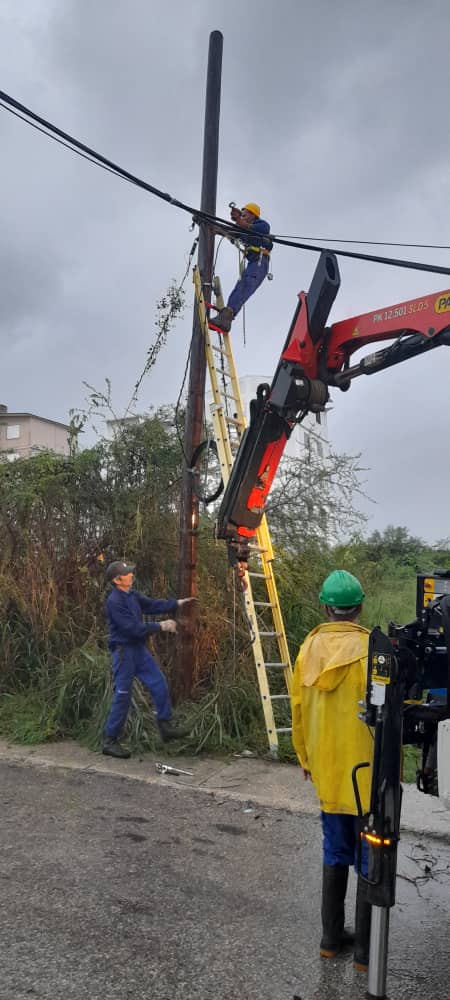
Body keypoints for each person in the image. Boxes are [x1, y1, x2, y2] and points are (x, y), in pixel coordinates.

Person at [291, 570, 374, 972]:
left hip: (327, 769)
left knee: (334, 848)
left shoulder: (308, 649)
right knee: (371, 856)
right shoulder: (376, 650)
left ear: (326, 607)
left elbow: (297, 710)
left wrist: (306, 759)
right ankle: (363, 955)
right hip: (368, 775)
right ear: (359, 607)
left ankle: (329, 939)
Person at [102, 561, 196, 759]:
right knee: (123, 696)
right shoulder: (114, 602)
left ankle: (165, 726)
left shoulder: (132, 595)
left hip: (138, 650)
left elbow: (151, 605)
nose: (131, 575)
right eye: (127, 573)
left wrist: (176, 603)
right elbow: (132, 629)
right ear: (117, 580)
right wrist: (161, 626)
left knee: (159, 683)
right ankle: (109, 741)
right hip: (124, 652)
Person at [212, 202, 273, 333]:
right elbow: (228, 231)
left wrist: (238, 219)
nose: (243, 217)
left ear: (254, 215)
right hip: (253, 263)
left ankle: (227, 316)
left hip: (260, 263)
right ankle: (226, 315)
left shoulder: (262, 225)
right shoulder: (242, 229)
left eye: (245, 215)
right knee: (240, 286)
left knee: (245, 285)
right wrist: (209, 224)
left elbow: (247, 227)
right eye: (242, 215)